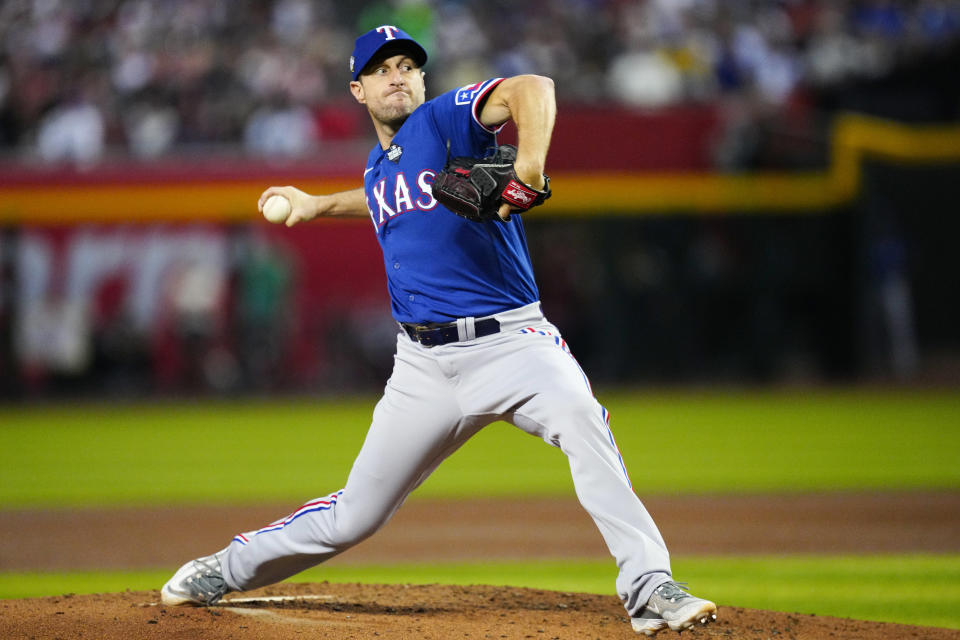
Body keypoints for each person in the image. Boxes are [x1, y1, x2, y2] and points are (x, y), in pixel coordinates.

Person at [161, 25, 718, 636]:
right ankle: (224, 568)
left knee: (583, 423)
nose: (396, 75)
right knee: (355, 515)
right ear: (358, 89)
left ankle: (650, 587)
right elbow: (381, 196)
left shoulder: (445, 121)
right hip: (422, 367)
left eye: (407, 65)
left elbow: (535, 87)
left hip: (513, 345)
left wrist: (527, 166)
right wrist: (319, 204)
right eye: (381, 69)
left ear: (422, 79)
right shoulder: (384, 163)